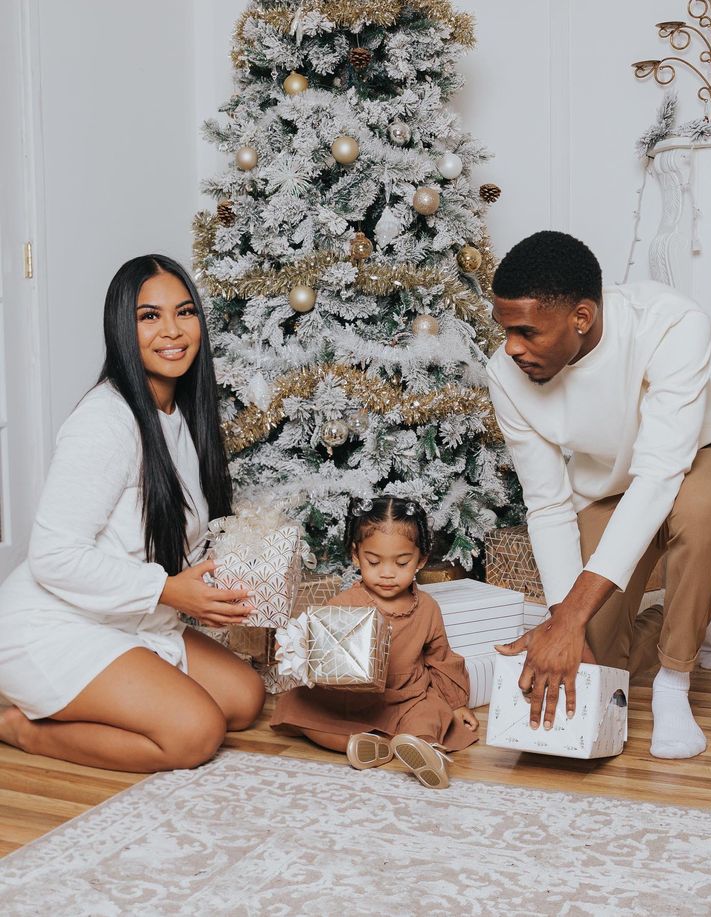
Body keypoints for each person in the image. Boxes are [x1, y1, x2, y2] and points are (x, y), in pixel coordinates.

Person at [0, 254, 265, 772]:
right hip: (55, 623)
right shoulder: (104, 421)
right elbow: (53, 555)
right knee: (195, 733)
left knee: (244, 699)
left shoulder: (183, 413)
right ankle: (20, 728)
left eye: (184, 312)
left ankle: (124, 694)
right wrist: (168, 589)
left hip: (133, 618)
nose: (172, 330)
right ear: (123, 327)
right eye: (149, 316)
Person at [486, 230, 711, 760]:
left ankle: (675, 680)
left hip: (697, 455)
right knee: (595, 655)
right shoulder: (504, 373)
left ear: (581, 316)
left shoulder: (672, 323)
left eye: (526, 331)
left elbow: (661, 476)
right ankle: (691, 617)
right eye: (504, 330)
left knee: (696, 511)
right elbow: (548, 503)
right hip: (609, 482)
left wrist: (570, 615)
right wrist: (564, 622)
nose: (512, 347)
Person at [271, 495, 478, 788]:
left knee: (431, 713)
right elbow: (316, 641)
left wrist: (457, 704)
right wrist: (293, 647)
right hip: (356, 698)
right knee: (299, 706)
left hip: (408, 696)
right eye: (373, 561)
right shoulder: (345, 603)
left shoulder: (428, 607)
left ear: (421, 559)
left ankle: (423, 748)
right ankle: (363, 745)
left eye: (402, 562)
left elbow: (440, 657)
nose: (387, 573)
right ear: (356, 555)